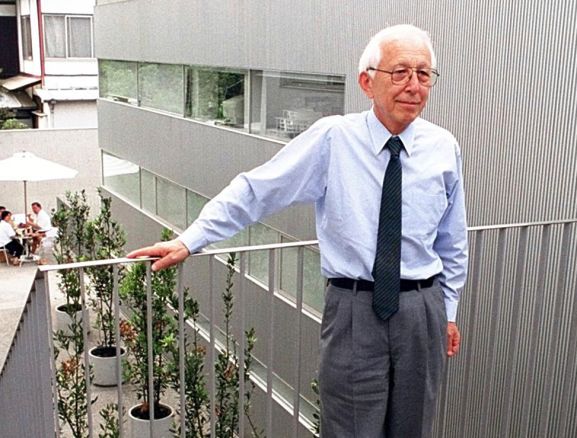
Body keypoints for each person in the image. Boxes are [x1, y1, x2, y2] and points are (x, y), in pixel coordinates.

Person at [128, 24, 467, 437]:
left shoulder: (443, 147)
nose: (414, 85)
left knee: (413, 428)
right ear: (367, 81)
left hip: (422, 309)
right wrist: (190, 239)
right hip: (355, 311)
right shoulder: (334, 138)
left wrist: (447, 312)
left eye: (424, 73)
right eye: (400, 73)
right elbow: (258, 190)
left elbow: (452, 242)